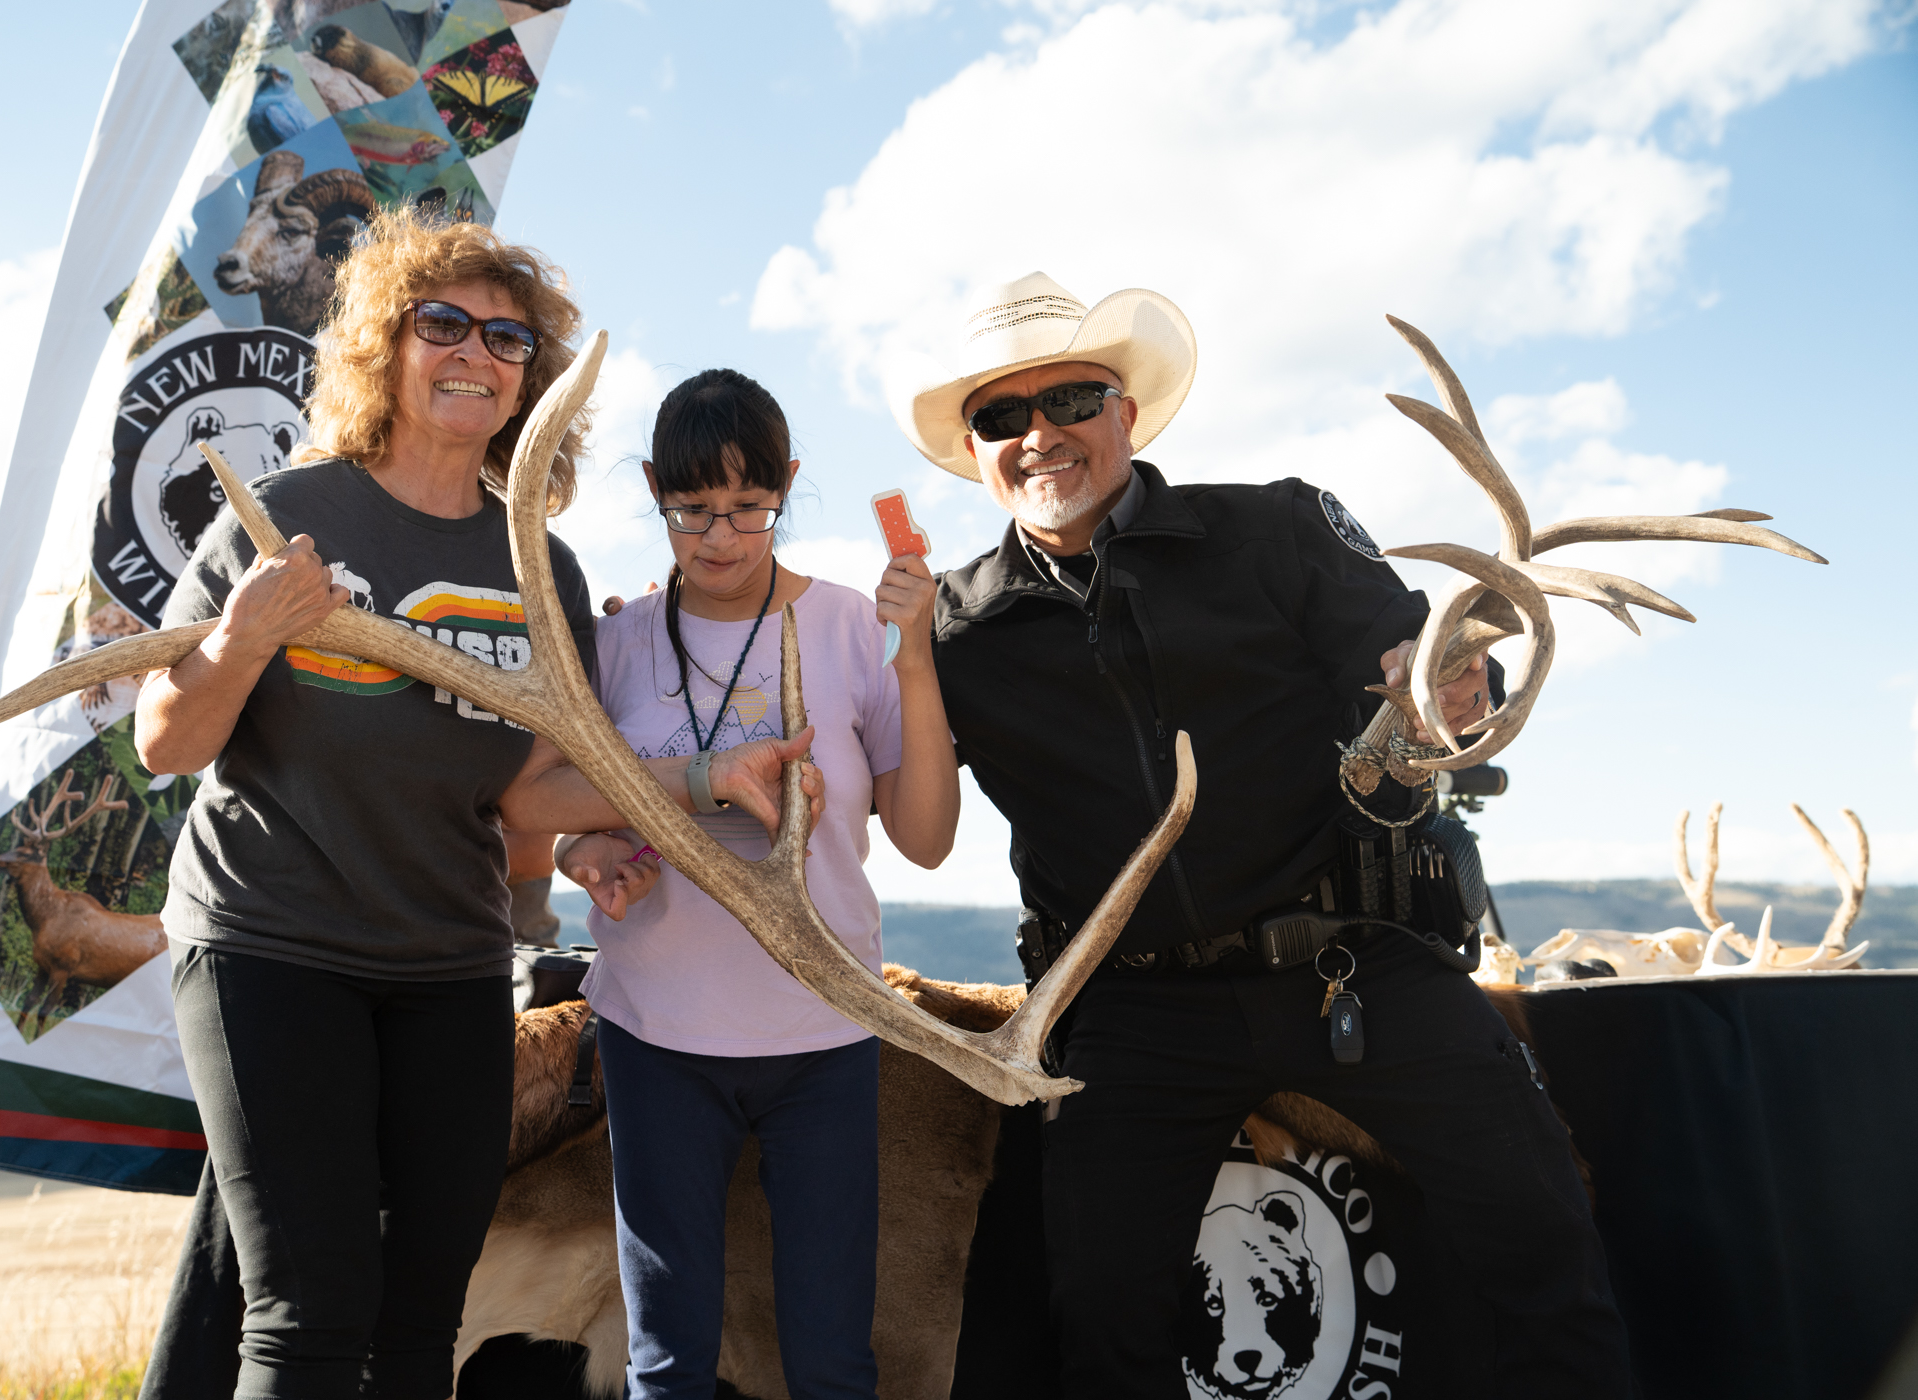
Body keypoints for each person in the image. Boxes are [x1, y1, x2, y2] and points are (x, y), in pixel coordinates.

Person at [895, 272, 1633, 1396]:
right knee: (1096, 1318)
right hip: (1133, 1010)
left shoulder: (1278, 528)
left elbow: (1423, 678)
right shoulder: (949, 624)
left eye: (1073, 399)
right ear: (977, 446)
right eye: (1004, 415)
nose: (1041, 434)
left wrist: (1448, 687)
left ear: (1126, 413)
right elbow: (892, 799)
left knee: (1541, 1232)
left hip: (1354, 969)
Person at [135, 213, 817, 1400]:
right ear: (383, 347)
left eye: (505, 337)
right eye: (441, 322)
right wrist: (247, 631)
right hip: (272, 949)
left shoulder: (537, 567)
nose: (474, 352)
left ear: (530, 378)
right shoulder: (289, 514)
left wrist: (701, 783)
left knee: (421, 1318)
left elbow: (529, 784)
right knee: (307, 1310)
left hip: (448, 967)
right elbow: (167, 738)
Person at [509, 368, 959, 1400]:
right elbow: (545, 807)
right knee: (669, 1362)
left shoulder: (852, 626)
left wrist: (919, 656)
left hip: (827, 1036)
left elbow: (928, 837)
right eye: (692, 510)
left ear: (788, 486)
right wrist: (592, 851)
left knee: (833, 1358)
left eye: (750, 507)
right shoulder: (618, 641)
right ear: (657, 494)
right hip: (658, 1037)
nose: (719, 536)